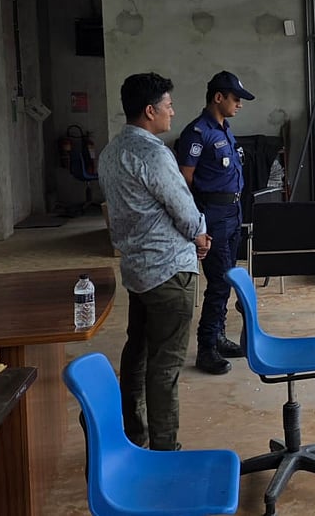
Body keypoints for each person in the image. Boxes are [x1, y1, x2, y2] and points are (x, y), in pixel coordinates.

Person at [99, 72, 211, 451]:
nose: (172, 112)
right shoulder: (153, 153)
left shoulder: (110, 153)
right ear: (150, 111)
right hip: (169, 271)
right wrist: (200, 235)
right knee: (165, 365)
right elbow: (182, 207)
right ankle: (165, 451)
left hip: (138, 270)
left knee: (138, 352)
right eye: (168, 106)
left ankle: (133, 432)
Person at [175, 70, 255, 375]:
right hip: (213, 214)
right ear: (218, 97)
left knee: (228, 277)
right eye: (236, 99)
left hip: (233, 211)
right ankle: (207, 347)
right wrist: (200, 221)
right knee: (219, 282)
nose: (240, 104)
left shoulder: (224, 129)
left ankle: (219, 336)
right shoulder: (198, 133)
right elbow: (184, 180)